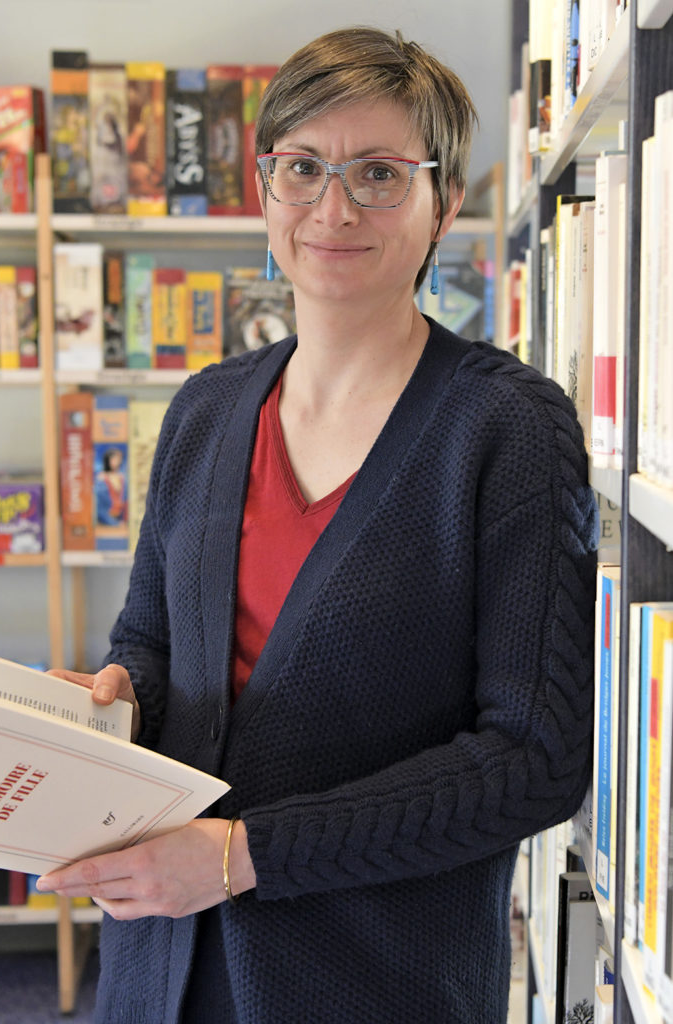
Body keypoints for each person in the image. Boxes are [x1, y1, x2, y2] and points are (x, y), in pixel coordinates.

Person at [37, 25, 598, 1023]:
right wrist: (116, 702)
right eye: (301, 168)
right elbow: (151, 643)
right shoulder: (203, 411)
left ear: (444, 206)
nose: (333, 206)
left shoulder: (506, 428)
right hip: (158, 955)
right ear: (263, 191)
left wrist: (242, 855)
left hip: (369, 977)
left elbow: (531, 760)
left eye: (379, 172)